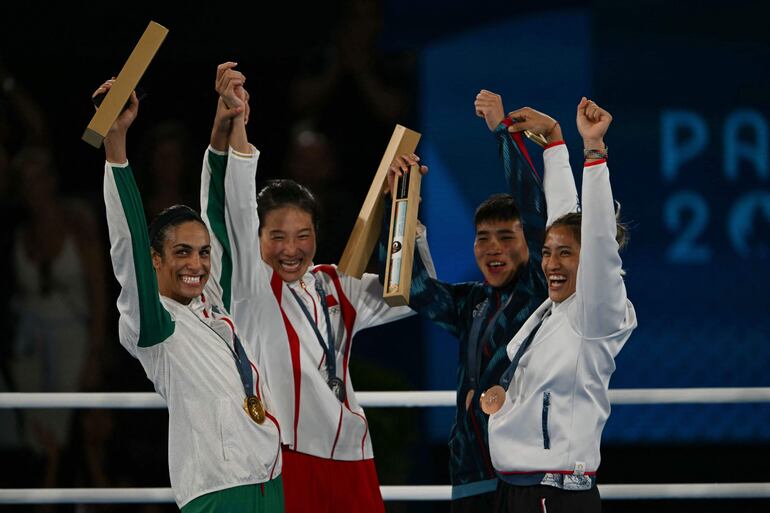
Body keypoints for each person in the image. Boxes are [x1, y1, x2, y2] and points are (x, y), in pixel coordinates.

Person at [206, 62, 434, 513]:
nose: (291, 249)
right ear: (256, 241)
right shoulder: (253, 288)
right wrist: (233, 128)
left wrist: (406, 208)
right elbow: (231, 206)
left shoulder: (336, 283)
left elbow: (417, 295)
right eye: (276, 236)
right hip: (287, 460)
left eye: (302, 235)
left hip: (354, 458)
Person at [96, 73, 283, 512]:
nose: (196, 264)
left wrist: (223, 130)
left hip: (270, 481)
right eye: (181, 252)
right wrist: (116, 146)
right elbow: (126, 249)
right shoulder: (152, 323)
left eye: (201, 254)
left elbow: (218, 220)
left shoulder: (210, 309)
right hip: (217, 492)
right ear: (155, 260)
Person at [383, 90, 575, 512]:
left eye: (507, 238)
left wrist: (503, 133)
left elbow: (536, 214)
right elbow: (412, 289)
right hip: (469, 475)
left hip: (526, 475)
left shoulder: (541, 294)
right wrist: (400, 199)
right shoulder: (470, 304)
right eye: (483, 239)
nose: (493, 249)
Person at [485, 98, 637, 513]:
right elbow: (564, 218)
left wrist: (594, 152)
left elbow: (598, 239)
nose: (550, 263)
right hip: (515, 490)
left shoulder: (596, 315)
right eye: (547, 253)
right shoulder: (552, 314)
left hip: (553, 496)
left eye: (565, 255)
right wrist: (553, 143)